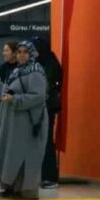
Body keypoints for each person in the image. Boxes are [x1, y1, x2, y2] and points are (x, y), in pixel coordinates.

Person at [0, 40, 48, 200]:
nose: (21, 55)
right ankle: (11, 188)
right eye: (19, 52)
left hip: (28, 123)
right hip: (15, 123)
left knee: (25, 155)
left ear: (32, 54)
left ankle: (26, 191)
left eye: (25, 52)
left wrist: (15, 99)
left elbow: (38, 96)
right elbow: (6, 91)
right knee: (12, 154)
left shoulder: (35, 71)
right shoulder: (18, 71)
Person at [32, 37, 63, 189]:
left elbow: (46, 82)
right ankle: (41, 175)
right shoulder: (42, 62)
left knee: (46, 141)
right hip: (39, 106)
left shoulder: (49, 63)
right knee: (39, 141)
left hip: (47, 107)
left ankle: (49, 176)